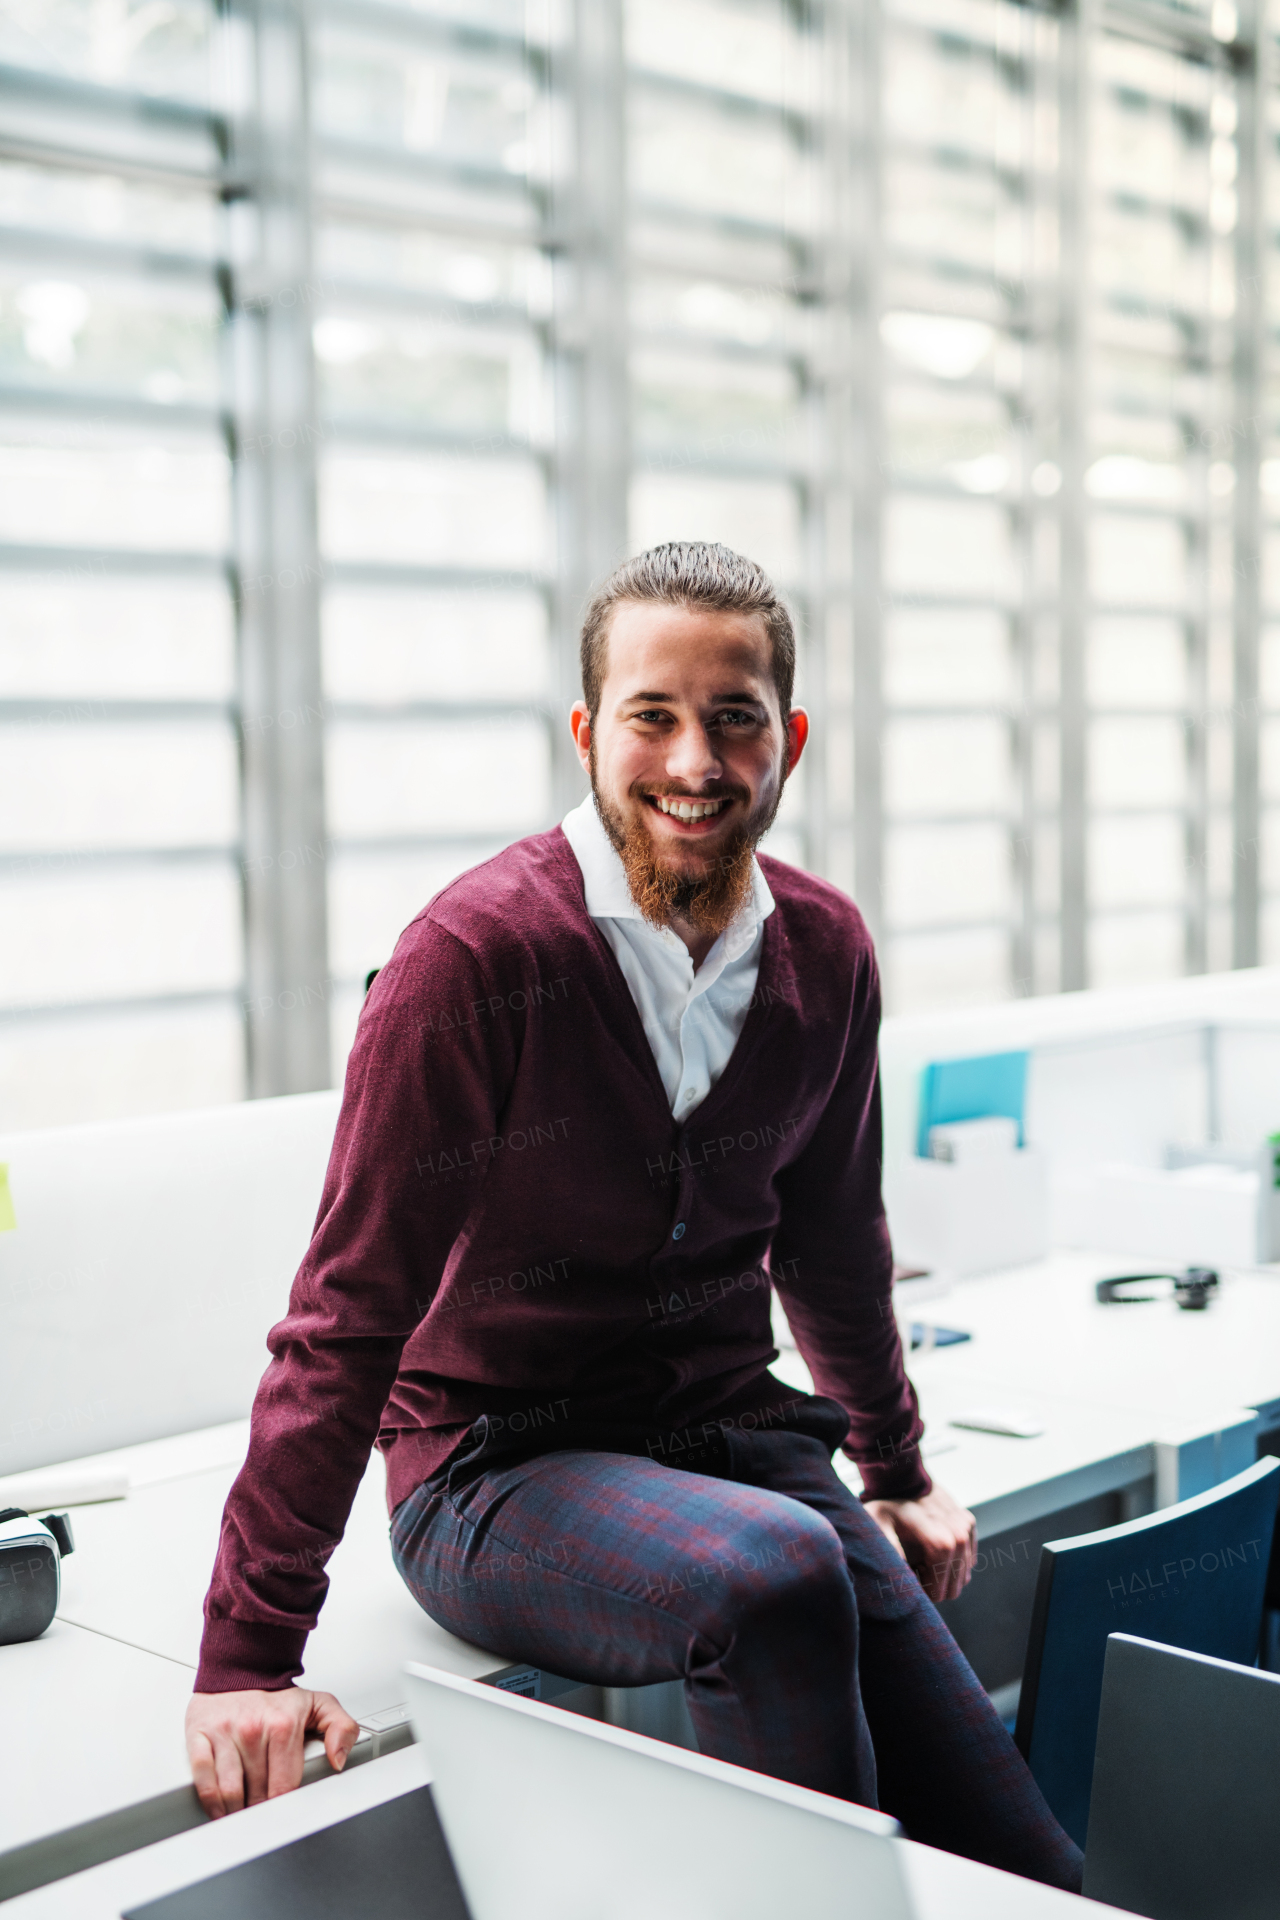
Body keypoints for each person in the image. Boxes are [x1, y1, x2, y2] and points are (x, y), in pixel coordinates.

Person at [186, 542, 1081, 1890]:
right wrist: (248, 1655)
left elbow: (834, 1239)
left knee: (1027, 1870)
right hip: (494, 1472)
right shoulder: (475, 961)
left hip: (731, 1449)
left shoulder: (826, 953)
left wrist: (895, 1468)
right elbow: (347, 1317)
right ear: (587, 732)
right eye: (652, 716)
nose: (695, 762)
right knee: (776, 1573)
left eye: (734, 720)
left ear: (790, 740)